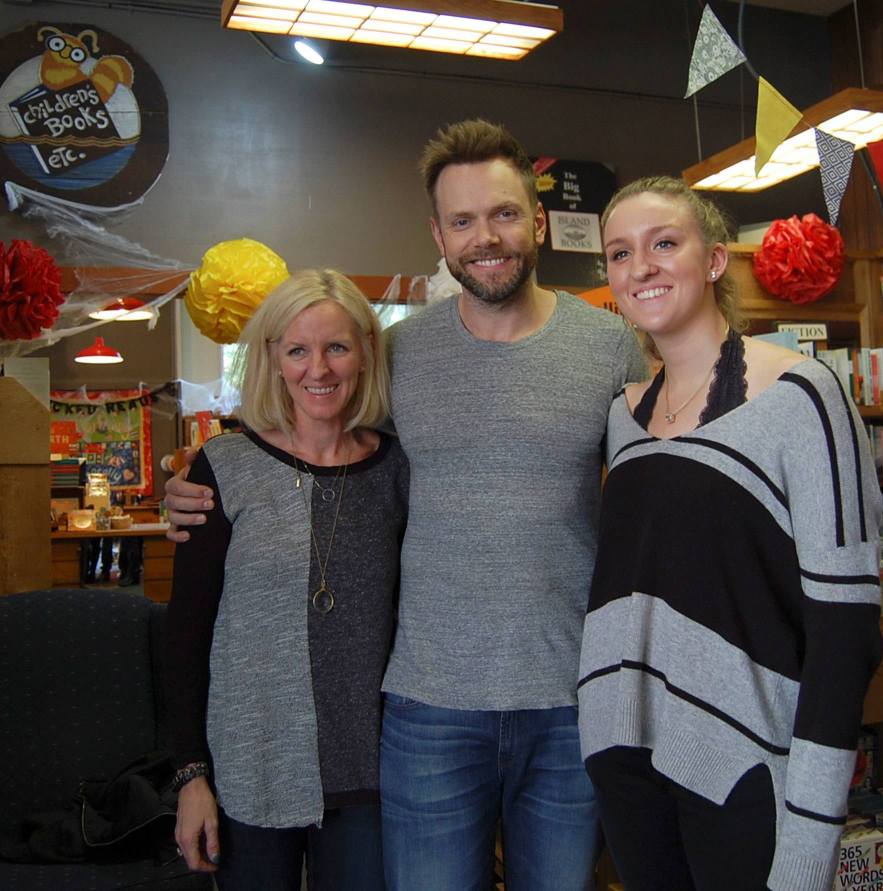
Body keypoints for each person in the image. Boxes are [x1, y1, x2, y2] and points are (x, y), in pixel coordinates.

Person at [166, 120, 648, 890]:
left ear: (539, 221)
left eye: (502, 214)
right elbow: (313, 431)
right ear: (438, 234)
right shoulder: (400, 356)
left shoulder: (611, 347)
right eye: (462, 221)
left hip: (569, 702)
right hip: (426, 710)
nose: (484, 238)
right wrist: (206, 473)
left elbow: (662, 485)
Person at [576, 176, 883, 891]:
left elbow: (846, 632)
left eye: (664, 243)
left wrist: (813, 824)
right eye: (620, 253)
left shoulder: (802, 395)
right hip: (625, 753)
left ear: (714, 259)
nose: (640, 266)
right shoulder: (622, 418)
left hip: (747, 758)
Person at [165, 269, 408, 890]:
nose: (317, 369)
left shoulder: (399, 468)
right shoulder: (224, 467)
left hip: (369, 772)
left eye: (336, 347)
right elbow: (186, 636)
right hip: (250, 768)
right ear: (273, 359)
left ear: (365, 354)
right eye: (297, 349)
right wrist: (190, 775)